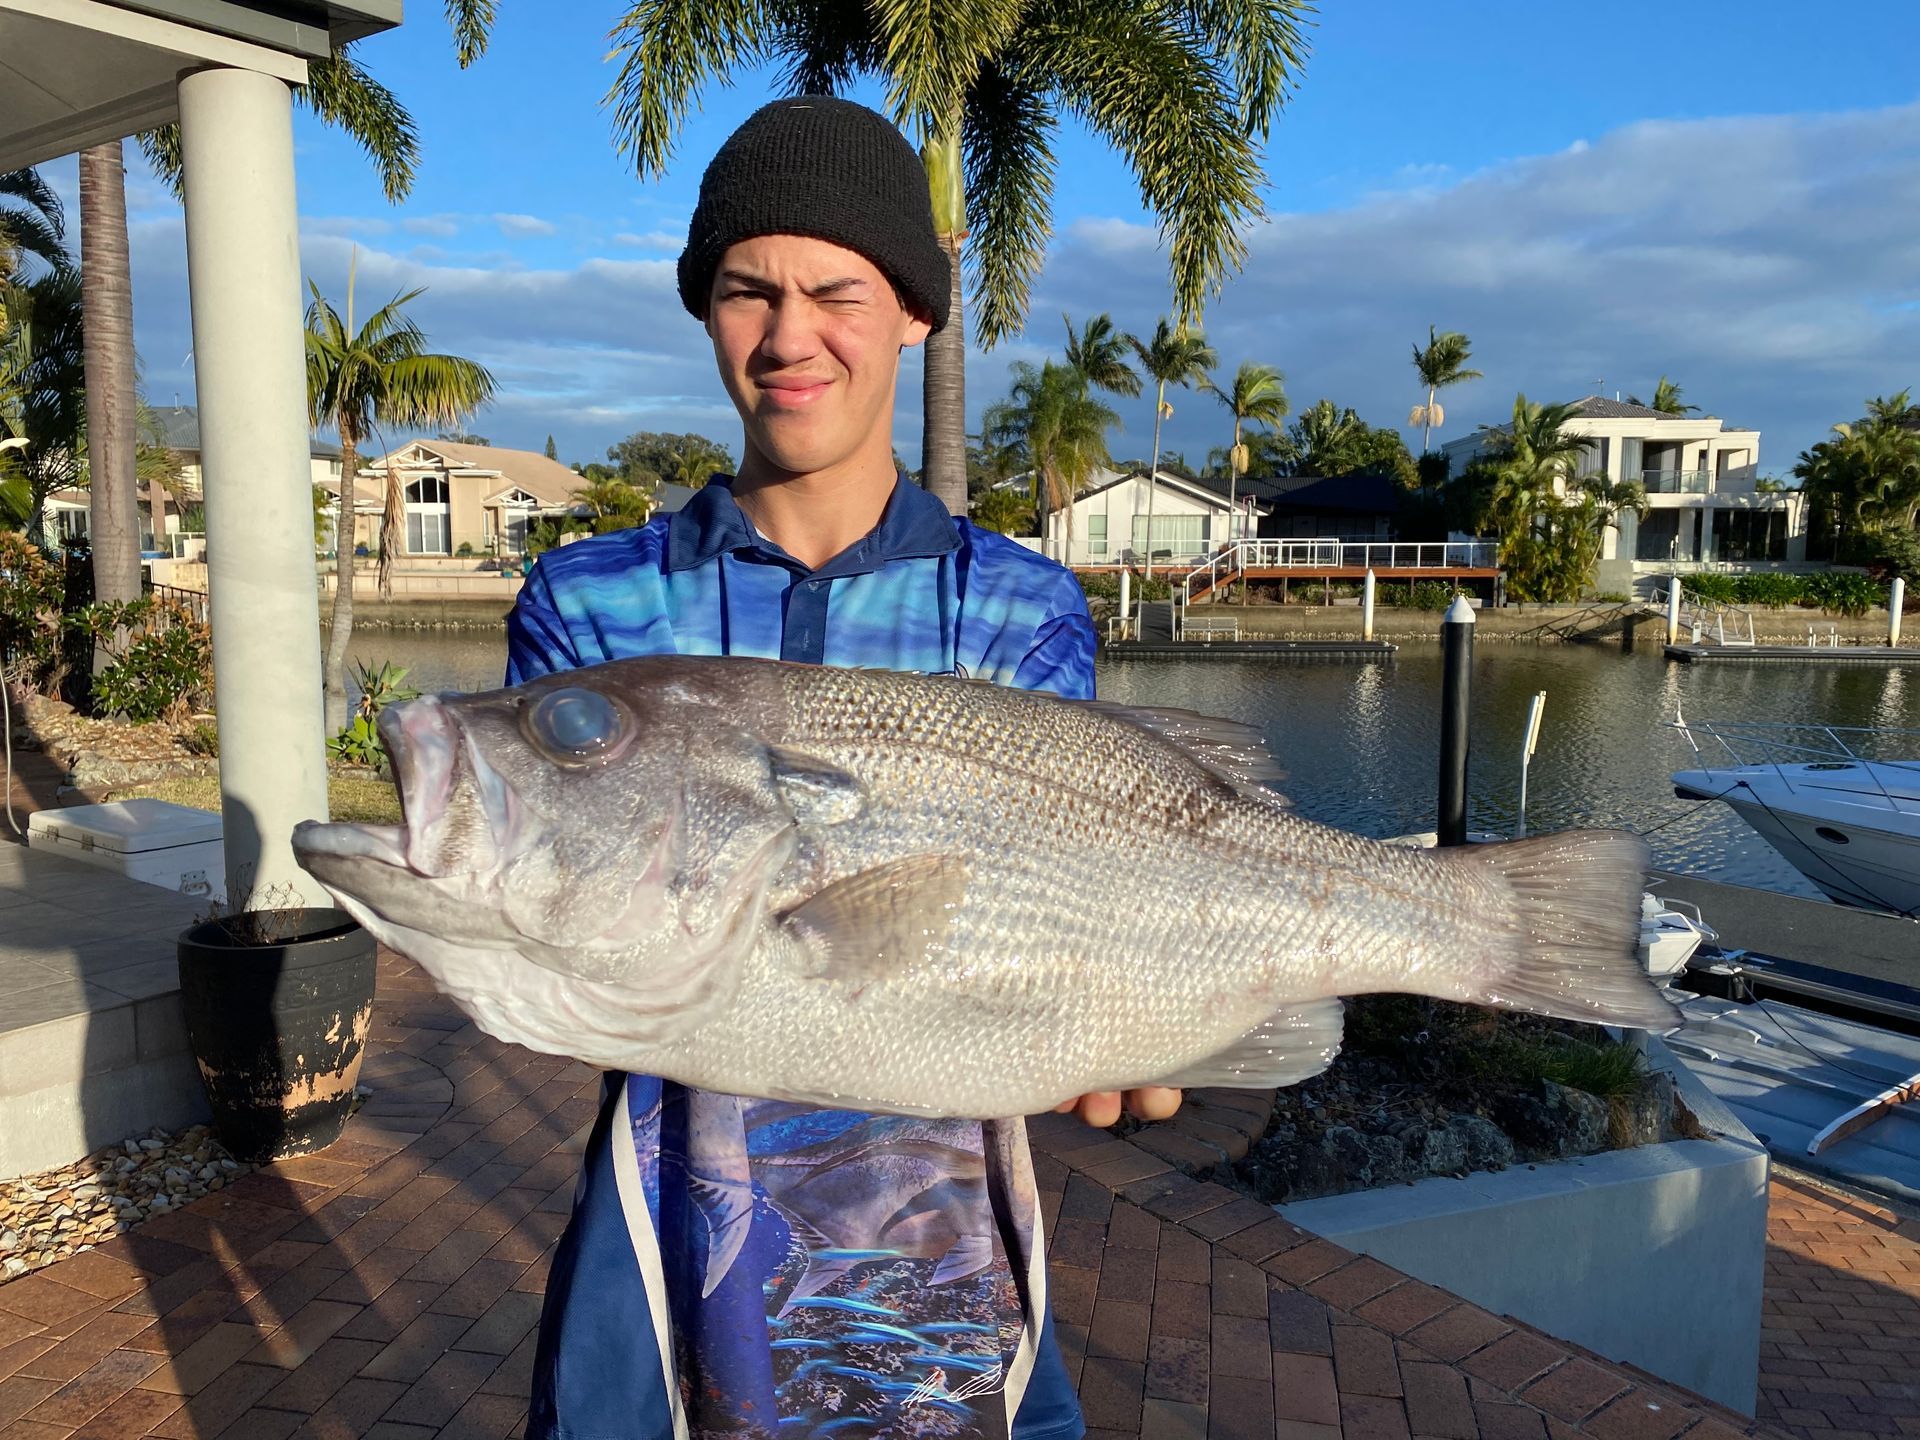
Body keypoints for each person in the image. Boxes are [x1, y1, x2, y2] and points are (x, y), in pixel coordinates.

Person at [507, 96, 1177, 1440]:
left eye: (837, 293)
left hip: (940, 1254)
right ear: (707, 313)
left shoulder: (1019, 611)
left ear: (915, 314)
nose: (788, 335)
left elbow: (1070, 891)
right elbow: (555, 930)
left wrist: (1140, 1015)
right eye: (748, 291)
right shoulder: (591, 607)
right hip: (661, 1247)